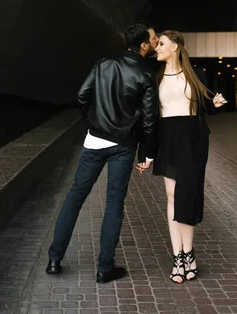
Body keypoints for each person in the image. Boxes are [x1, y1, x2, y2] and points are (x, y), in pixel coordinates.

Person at [46, 22, 160, 283]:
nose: (155, 42)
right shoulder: (145, 74)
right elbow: (150, 120)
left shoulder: (103, 63)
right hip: (123, 146)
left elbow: (82, 95)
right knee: (113, 204)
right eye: (153, 39)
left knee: (75, 196)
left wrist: (93, 124)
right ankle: (104, 268)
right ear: (143, 45)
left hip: (94, 141)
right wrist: (147, 152)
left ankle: (54, 259)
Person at [136, 30, 227, 284]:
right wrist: (146, 153)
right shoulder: (155, 77)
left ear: (175, 47)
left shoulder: (196, 74)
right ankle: (178, 256)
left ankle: (189, 252)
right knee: (172, 196)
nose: (157, 48)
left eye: (161, 44)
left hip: (193, 139)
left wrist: (216, 104)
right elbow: (149, 119)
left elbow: (206, 105)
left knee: (188, 195)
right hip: (168, 139)